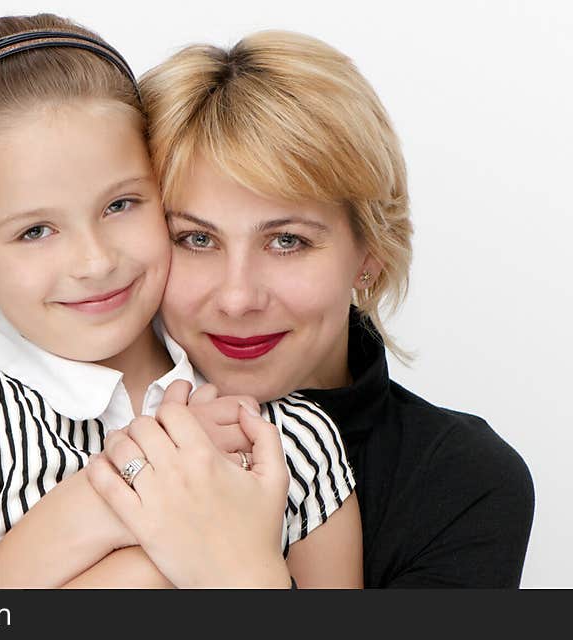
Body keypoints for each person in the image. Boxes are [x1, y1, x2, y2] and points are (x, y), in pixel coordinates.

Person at [0, 14, 360, 588]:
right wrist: (110, 524)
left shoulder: (287, 437)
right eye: (35, 231)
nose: (94, 262)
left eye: (120, 205)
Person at [80, 29, 534, 587]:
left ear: (370, 251)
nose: (238, 297)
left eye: (287, 240)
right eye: (196, 239)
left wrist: (239, 573)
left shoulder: (462, 482)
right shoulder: (35, 419)